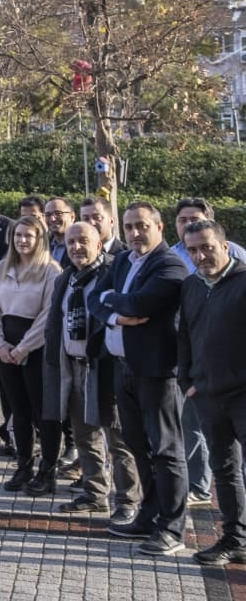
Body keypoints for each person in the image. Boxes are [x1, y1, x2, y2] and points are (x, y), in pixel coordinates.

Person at [90, 201, 190, 556]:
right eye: (129, 226)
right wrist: (115, 314)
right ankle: (148, 517)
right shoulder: (120, 261)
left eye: (141, 226)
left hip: (157, 372)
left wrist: (114, 301)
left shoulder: (170, 265)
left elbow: (139, 305)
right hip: (123, 366)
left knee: (166, 450)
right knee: (138, 446)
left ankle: (173, 528)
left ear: (160, 227)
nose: (134, 233)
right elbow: (95, 301)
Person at [45, 221, 139, 519]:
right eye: (71, 242)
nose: (75, 247)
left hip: (104, 368)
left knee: (118, 439)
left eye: (83, 241)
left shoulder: (111, 274)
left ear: (99, 244)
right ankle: (95, 493)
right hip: (72, 368)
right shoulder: (66, 278)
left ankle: (127, 501)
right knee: (84, 435)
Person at [179, 218, 246, 566]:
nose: (200, 255)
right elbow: (185, 335)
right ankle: (236, 540)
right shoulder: (191, 286)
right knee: (224, 471)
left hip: (242, 395)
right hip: (207, 394)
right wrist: (188, 381)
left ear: (224, 245)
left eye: (206, 247)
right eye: (192, 250)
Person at [0, 216, 62, 494]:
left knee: (43, 412)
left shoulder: (51, 271)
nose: (22, 240)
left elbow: (48, 315)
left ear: (39, 238)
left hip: (36, 348)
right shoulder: (1, 269)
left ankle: (48, 470)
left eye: (28, 236)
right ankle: (24, 464)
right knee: (18, 410)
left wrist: (23, 348)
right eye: (18, 235)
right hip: (6, 347)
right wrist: (0, 343)